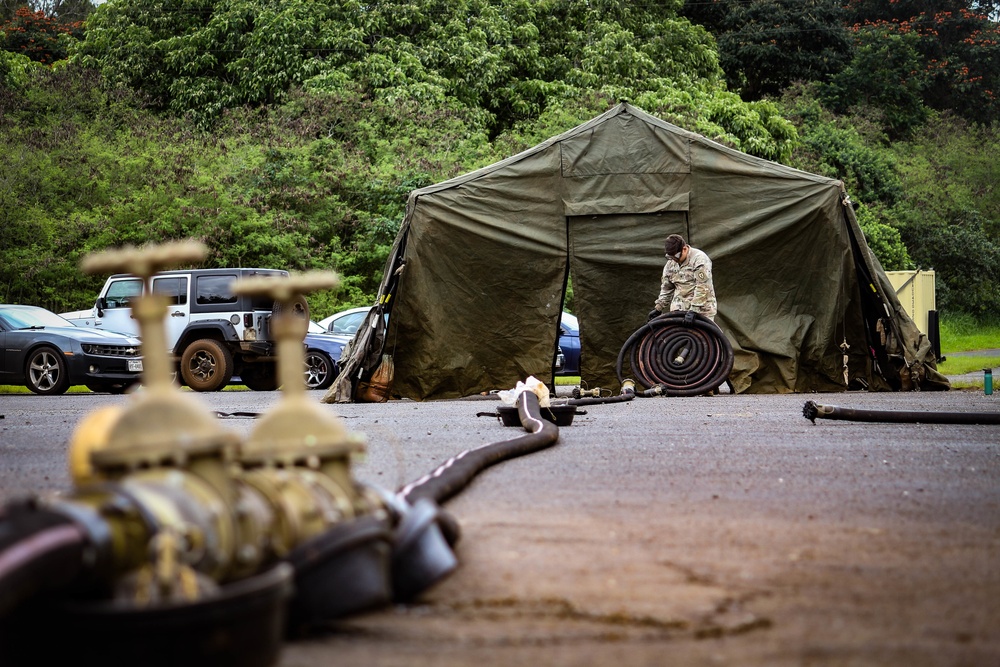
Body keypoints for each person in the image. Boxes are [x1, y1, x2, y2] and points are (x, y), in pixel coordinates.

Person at [649, 234, 717, 321]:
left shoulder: (699, 260)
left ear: (684, 249)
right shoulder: (671, 264)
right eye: (670, 257)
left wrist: (694, 310)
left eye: (676, 256)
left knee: (701, 334)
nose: (674, 259)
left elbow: (703, 286)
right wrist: (658, 308)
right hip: (679, 310)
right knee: (675, 334)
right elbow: (667, 288)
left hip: (702, 311)